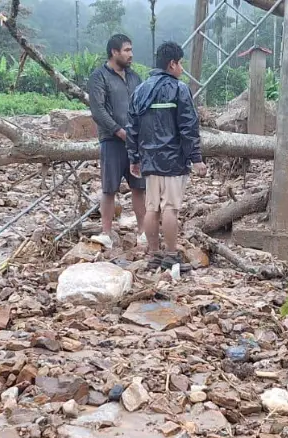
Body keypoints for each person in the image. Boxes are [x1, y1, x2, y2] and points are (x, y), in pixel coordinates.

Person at [126, 41, 205, 270]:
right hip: (173, 160)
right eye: (180, 63)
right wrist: (196, 157)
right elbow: (188, 126)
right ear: (172, 64)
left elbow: (132, 126)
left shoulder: (140, 90)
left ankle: (154, 254)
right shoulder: (179, 89)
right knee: (170, 208)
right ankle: (171, 254)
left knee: (152, 208)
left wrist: (134, 157)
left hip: (149, 159)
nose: (181, 68)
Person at [87, 33, 145, 248]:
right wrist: (119, 131)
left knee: (139, 186)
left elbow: (142, 105)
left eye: (131, 50)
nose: (131, 54)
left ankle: (143, 233)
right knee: (109, 188)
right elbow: (98, 110)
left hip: (135, 142)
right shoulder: (99, 77)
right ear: (114, 52)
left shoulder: (134, 77)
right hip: (111, 141)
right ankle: (106, 233)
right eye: (127, 50)